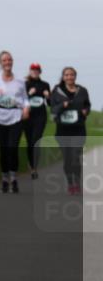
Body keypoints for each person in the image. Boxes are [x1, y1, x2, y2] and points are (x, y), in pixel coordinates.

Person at [0, 51, 30, 193]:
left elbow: (25, 99)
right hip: (0, 118)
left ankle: (14, 178)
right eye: (4, 60)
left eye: (9, 60)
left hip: (16, 117)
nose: (7, 62)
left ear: (12, 61)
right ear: (0, 63)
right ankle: (4, 179)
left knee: (13, 148)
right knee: (3, 150)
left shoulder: (20, 81)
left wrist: (26, 108)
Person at [51, 67, 92, 195]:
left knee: (75, 157)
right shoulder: (57, 91)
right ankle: (70, 183)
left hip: (78, 129)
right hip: (63, 130)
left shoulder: (82, 90)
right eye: (67, 75)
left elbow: (87, 105)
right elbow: (53, 109)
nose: (69, 77)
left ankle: (77, 183)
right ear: (63, 77)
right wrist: (62, 106)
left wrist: (86, 111)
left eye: (72, 75)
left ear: (75, 76)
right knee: (67, 159)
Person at [23, 63, 51, 180]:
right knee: (30, 141)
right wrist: (28, 94)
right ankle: (30, 164)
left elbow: (50, 103)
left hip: (40, 116)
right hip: (28, 115)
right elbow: (20, 100)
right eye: (33, 70)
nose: (35, 71)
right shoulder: (25, 84)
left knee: (36, 141)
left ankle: (34, 168)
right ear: (30, 71)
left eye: (37, 70)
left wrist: (48, 96)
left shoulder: (45, 85)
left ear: (40, 72)